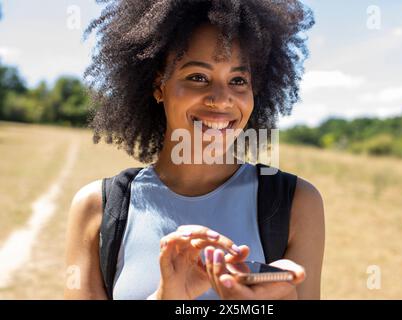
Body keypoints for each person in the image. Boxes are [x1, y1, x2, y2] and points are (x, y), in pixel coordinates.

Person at [64, 0, 324, 300]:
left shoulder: (296, 203)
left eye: (238, 80)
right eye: (198, 77)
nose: (221, 99)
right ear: (158, 85)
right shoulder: (97, 208)